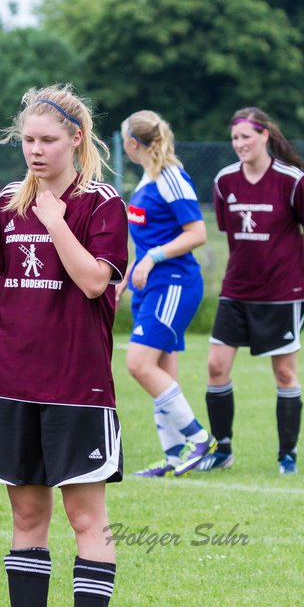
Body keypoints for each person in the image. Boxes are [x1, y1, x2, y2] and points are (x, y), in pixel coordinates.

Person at [0, 85, 128, 607]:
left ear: (76, 140)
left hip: (74, 383)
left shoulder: (101, 203)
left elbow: (92, 283)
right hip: (10, 379)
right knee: (27, 518)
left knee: (86, 518)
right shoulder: (7, 202)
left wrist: (56, 222)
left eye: (48, 140)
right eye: (28, 140)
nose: (35, 151)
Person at [201, 107, 304, 475]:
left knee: (284, 374)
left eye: (246, 137)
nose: (240, 144)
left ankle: (288, 455)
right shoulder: (225, 181)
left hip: (283, 293)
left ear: (265, 136)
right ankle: (222, 450)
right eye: (235, 138)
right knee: (216, 366)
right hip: (236, 290)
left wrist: (286, 263)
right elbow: (228, 231)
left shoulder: (292, 180)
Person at [116, 110, 213, 477]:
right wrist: (127, 274)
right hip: (151, 285)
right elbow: (149, 240)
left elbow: (197, 234)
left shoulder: (171, 177)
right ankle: (174, 456)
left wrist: (153, 258)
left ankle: (199, 439)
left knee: (138, 364)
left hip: (174, 284)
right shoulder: (147, 178)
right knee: (160, 370)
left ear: (130, 143)